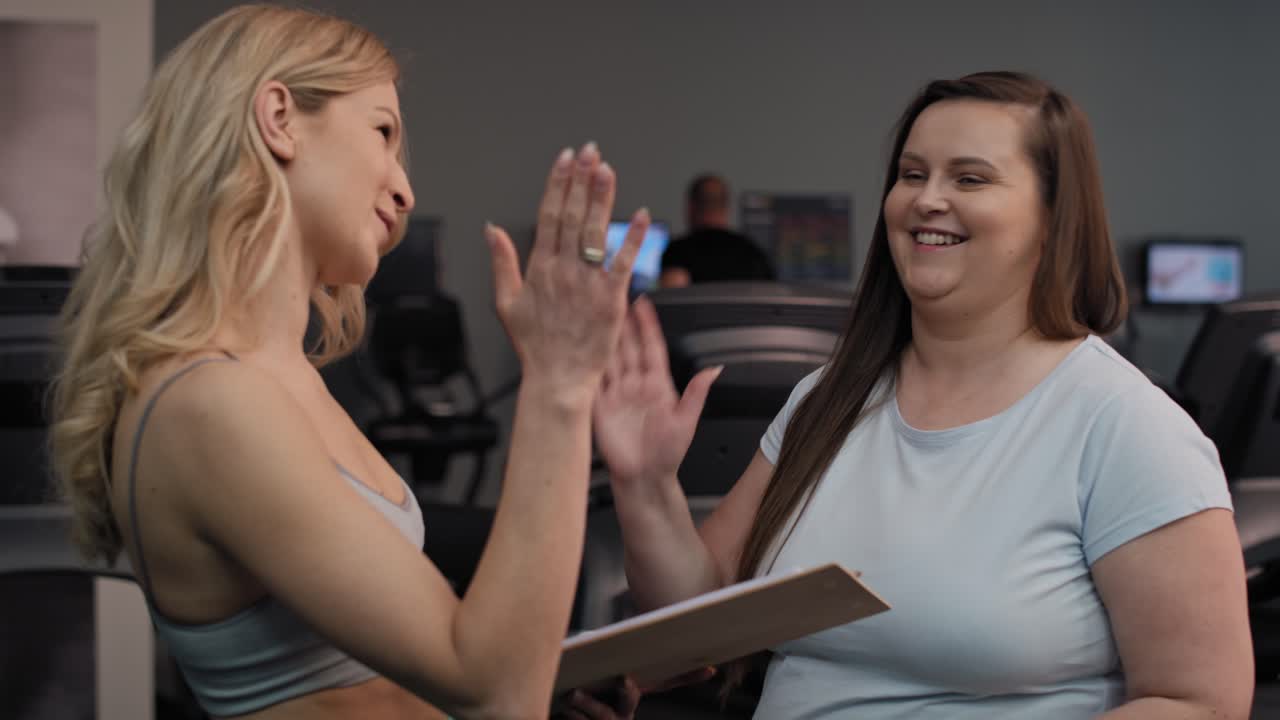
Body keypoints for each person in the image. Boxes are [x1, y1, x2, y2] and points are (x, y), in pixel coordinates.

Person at [49, 5, 648, 719]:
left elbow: (420, 674)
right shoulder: (207, 403)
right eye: (383, 132)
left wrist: (541, 679)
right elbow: (494, 692)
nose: (405, 188)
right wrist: (559, 384)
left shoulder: (279, 378)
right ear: (279, 118)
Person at [593, 71, 1253, 718]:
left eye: (969, 178)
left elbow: (1200, 701)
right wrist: (646, 484)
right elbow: (691, 631)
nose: (927, 199)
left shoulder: (1126, 425)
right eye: (912, 174)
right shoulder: (829, 398)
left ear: (1054, 218)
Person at [658, 174, 774, 288]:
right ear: (726, 207)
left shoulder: (677, 252)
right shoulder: (754, 254)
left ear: (690, 207)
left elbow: (672, 297)